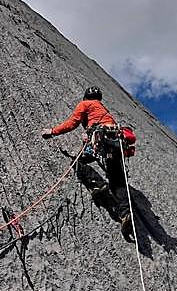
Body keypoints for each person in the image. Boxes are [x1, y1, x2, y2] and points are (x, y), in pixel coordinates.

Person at [41, 86, 134, 241]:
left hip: (100, 140)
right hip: (116, 143)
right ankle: (125, 213)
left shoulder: (85, 104)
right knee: (118, 181)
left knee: (78, 161)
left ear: (86, 96)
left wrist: (52, 131)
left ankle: (98, 184)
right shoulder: (104, 111)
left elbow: (72, 123)